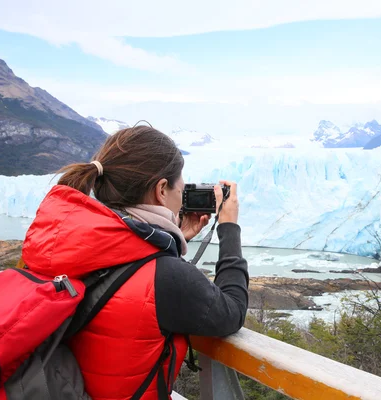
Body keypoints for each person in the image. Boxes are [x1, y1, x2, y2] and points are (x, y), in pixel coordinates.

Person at [20, 125, 249, 400]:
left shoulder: (59, 244)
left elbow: (130, 286)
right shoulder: (165, 275)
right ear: (161, 190)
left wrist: (169, 241)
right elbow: (231, 312)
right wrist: (229, 227)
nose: (181, 199)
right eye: (181, 188)